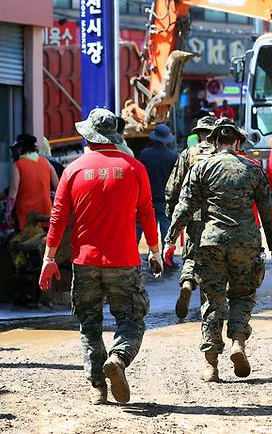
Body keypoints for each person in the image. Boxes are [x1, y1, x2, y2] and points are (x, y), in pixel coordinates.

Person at [39, 108, 163, 405]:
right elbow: (147, 213)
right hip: (124, 260)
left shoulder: (73, 170)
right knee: (131, 319)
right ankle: (118, 358)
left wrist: (49, 258)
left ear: (89, 137)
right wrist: (155, 252)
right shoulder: (134, 168)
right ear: (114, 136)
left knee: (89, 324)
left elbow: (58, 218)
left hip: (85, 262)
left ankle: (98, 387)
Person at [163, 119, 272, 382]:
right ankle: (238, 342)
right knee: (242, 295)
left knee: (213, 302)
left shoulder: (201, 168)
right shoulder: (252, 169)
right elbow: (269, 211)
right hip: (246, 244)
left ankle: (212, 366)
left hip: (210, 244)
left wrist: (170, 241)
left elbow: (183, 207)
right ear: (238, 142)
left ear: (213, 142)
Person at [165, 115, 217, 320]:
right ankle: (208, 303)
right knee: (213, 259)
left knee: (191, 253)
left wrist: (173, 215)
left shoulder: (188, 154)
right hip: (217, 215)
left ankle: (187, 282)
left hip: (193, 215)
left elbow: (173, 186)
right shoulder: (222, 153)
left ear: (199, 134)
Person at [5, 133, 59, 230]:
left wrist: (8, 211)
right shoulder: (46, 162)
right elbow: (57, 185)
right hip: (45, 213)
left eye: (16, 149)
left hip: (26, 216)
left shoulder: (18, 165)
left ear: (21, 148)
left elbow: (14, 188)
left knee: (23, 243)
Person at [137, 124, 178, 250]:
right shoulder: (173, 156)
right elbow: (176, 180)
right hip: (165, 200)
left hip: (147, 200)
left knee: (144, 230)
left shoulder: (144, 154)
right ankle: (168, 259)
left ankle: (141, 255)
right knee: (167, 231)